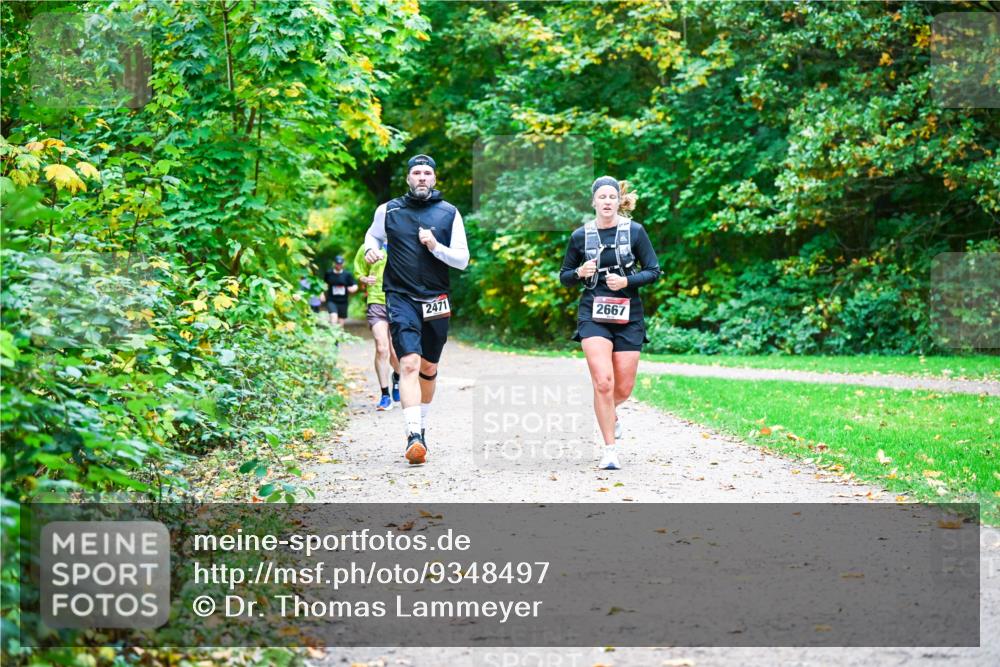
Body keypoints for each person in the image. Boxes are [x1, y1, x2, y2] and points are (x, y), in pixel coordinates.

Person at [363, 154, 469, 465]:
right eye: (416, 173)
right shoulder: (389, 210)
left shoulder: (449, 213)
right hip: (400, 296)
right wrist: (372, 248)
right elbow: (373, 235)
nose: (422, 177)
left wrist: (436, 247)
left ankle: (421, 426)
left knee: (429, 368)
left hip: (436, 298)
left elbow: (462, 260)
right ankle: (413, 436)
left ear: (434, 179)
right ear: (408, 178)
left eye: (427, 173)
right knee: (408, 363)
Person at [559, 176, 661, 470]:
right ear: (593, 202)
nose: (606, 202)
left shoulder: (635, 232)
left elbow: (654, 271)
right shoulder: (581, 236)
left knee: (623, 388)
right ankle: (609, 451)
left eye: (612, 197)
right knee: (603, 383)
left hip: (629, 314)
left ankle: (610, 413)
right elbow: (564, 276)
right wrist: (579, 271)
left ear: (619, 201)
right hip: (593, 314)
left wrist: (626, 281)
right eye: (601, 197)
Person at [354, 242, 401, 411]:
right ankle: (385, 395)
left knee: (396, 353)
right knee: (382, 348)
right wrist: (365, 279)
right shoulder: (369, 246)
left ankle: (397, 377)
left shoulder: (402, 240)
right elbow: (358, 269)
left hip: (398, 303)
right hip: (376, 302)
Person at [323, 255, 357, 327]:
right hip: (331, 300)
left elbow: (354, 285)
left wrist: (353, 289)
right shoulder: (329, 273)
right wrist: (322, 294)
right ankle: (333, 335)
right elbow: (324, 284)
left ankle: (339, 336)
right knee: (333, 316)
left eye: (340, 264)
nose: (339, 265)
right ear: (334, 263)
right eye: (337, 264)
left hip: (343, 301)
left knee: (341, 322)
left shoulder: (347, 274)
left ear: (343, 264)